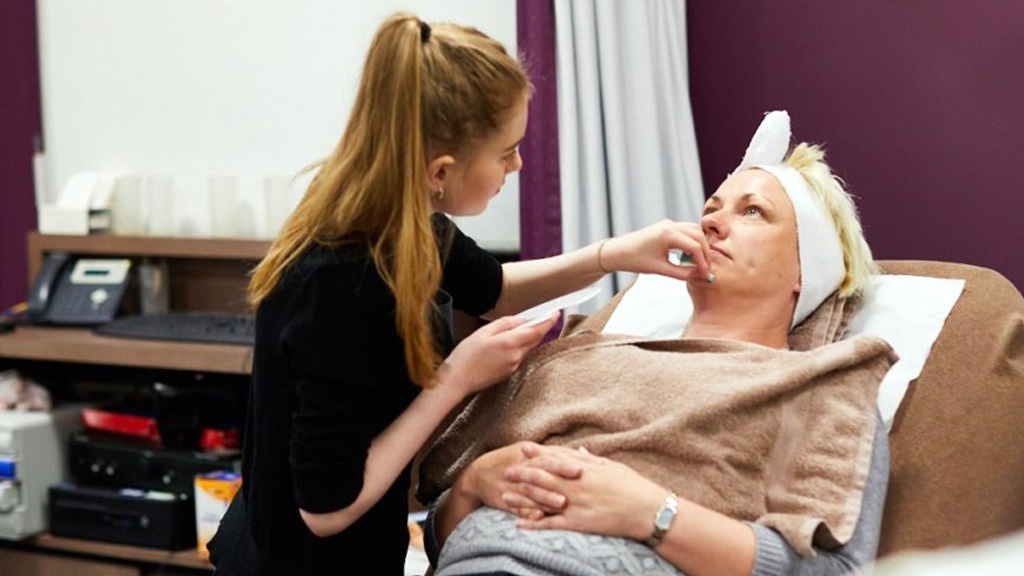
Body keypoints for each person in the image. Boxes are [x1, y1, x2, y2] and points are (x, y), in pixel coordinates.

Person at [208, 12, 724, 576]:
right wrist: (455, 376)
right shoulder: (341, 280)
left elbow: (495, 290)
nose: (518, 164)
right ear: (440, 170)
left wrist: (615, 253)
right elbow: (326, 509)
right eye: (506, 152)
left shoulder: (406, 217)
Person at [425, 111, 890, 576]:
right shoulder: (572, 355)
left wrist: (654, 514)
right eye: (710, 209)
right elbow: (434, 530)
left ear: (805, 270)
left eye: (752, 211)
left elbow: (835, 570)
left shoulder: (815, 389)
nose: (711, 224)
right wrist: (471, 485)